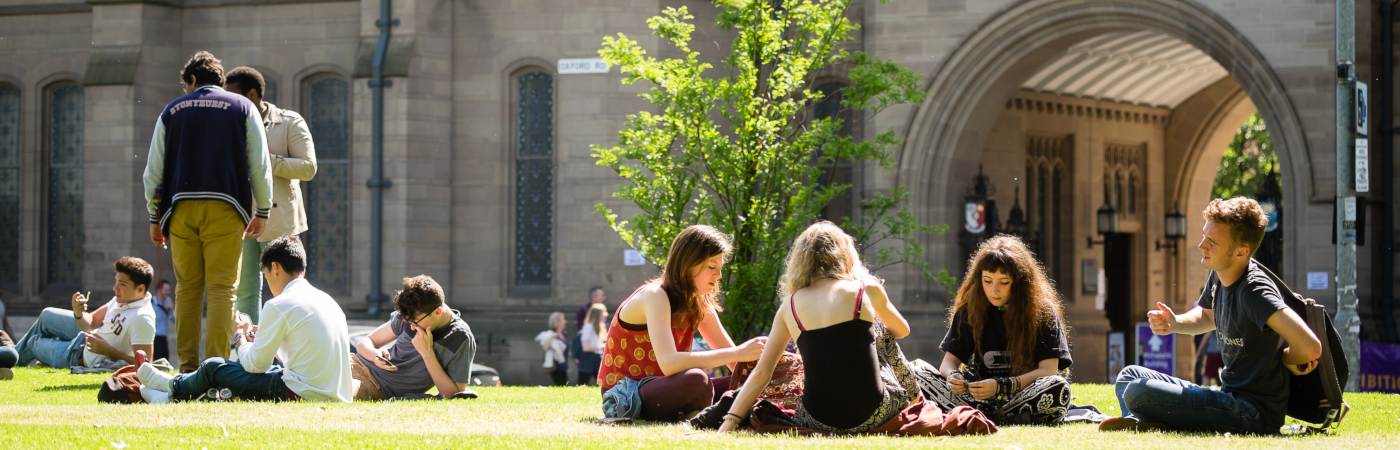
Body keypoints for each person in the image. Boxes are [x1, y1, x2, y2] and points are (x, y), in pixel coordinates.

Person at [1100, 197, 1322, 434]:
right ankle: (1144, 421)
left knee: (1137, 391)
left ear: (1241, 251)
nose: (1201, 245)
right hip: (1227, 396)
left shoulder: (1255, 291)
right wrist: (1175, 323)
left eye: (1212, 242)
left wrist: (1285, 360)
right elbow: (1207, 317)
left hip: (1252, 413)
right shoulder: (1220, 274)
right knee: (1129, 376)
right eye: (1204, 236)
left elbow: (1310, 346)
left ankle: (1145, 420)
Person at [719, 221, 926, 433]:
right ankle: (917, 400)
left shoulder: (788, 306)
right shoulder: (865, 289)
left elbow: (763, 371)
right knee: (881, 329)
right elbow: (902, 331)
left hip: (817, 419)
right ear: (844, 254)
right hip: (874, 413)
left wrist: (730, 421)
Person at [143, 51, 273, 372]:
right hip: (227, 208)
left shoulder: (171, 110)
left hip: (181, 209)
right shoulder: (242, 107)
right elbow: (260, 163)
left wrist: (154, 216)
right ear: (219, 78)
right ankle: (214, 368)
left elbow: (153, 171)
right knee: (222, 289)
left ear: (191, 80)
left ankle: (187, 368)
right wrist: (264, 209)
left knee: (187, 287)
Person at [136, 236, 353, 403]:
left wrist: (240, 336)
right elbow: (302, 352)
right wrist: (260, 337)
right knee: (267, 370)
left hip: (301, 393)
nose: (269, 284)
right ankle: (169, 393)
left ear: (275, 268)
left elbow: (255, 365)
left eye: (266, 277)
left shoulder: (279, 304)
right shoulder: (328, 301)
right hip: (335, 394)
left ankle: (170, 389)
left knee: (214, 366)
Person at [598, 224, 766, 422]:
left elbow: (735, 365)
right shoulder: (655, 296)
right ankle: (710, 413)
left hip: (668, 388)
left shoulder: (700, 303)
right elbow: (670, 363)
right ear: (687, 265)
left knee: (755, 384)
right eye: (712, 267)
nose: (718, 276)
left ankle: (710, 411)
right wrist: (739, 352)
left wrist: (767, 366)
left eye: (720, 269)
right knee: (697, 380)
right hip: (627, 395)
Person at [923, 235, 1074, 425]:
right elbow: (948, 362)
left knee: (1057, 387)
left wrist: (1003, 386)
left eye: (1003, 282)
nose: (994, 290)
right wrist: (954, 377)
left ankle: (995, 415)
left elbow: (1049, 370)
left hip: (1023, 395)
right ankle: (991, 415)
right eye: (987, 280)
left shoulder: (1042, 311)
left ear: (1019, 283)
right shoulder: (970, 309)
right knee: (918, 372)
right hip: (976, 399)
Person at [224, 66, 317, 325]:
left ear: (253, 94)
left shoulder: (289, 122)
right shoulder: (229, 123)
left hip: (279, 222)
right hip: (241, 219)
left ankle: (287, 345)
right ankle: (249, 349)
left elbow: (308, 167)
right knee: (244, 291)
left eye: (234, 95)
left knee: (285, 288)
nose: (229, 101)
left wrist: (266, 161)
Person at [12, 257, 158, 371]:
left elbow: (145, 366)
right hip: (83, 338)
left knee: (33, 343)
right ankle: (7, 358)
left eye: (122, 285)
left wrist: (108, 351)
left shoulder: (142, 318)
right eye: (116, 282)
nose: (115, 288)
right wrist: (78, 312)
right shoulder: (121, 299)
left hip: (77, 356)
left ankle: (6, 360)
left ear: (140, 289)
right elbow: (91, 322)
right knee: (47, 314)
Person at [350, 275, 476, 400]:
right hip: (354, 362)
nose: (411, 327)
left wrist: (427, 353)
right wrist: (375, 355)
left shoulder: (460, 337)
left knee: (342, 391)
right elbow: (365, 342)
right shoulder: (410, 313)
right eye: (408, 322)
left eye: (415, 322)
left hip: (375, 386)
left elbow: (454, 394)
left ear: (438, 312)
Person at [576, 303, 607, 386]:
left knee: (602, 383)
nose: (605, 315)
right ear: (597, 315)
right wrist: (601, 347)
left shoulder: (600, 327)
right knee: (582, 384)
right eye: (603, 313)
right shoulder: (588, 327)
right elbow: (586, 347)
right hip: (587, 359)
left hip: (597, 358)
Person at [535, 312, 569, 386]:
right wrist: (553, 336)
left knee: (564, 385)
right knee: (562, 385)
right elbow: (545, 348)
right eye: (563, 319)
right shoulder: (550, 334)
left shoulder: (564, 334)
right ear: (557, 322)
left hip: (563, 364)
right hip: (556, 366)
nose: (565, 321)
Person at [151, 280, 174, 362]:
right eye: (166, 290)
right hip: (153, 336)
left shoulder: (168, 301)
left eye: (169, 290)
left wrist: (171, 310)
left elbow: (173, 319)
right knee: (155, 359)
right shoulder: (151, 302)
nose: (168, 292)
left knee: (165, 359)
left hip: (163, 335)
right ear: (159, 290)